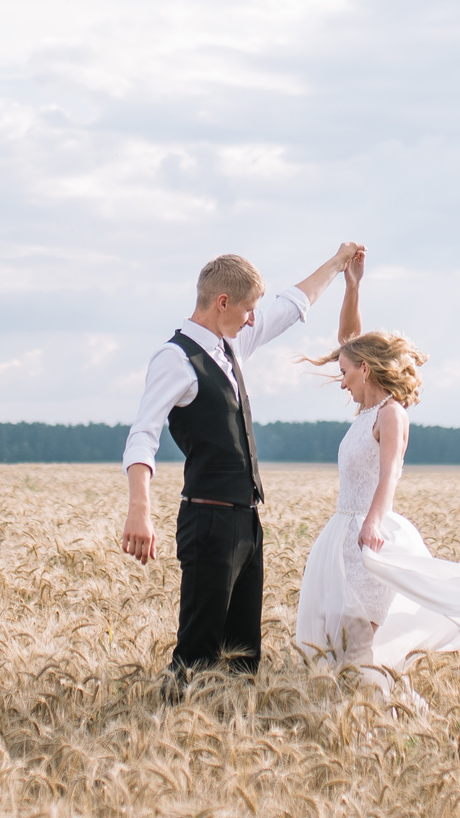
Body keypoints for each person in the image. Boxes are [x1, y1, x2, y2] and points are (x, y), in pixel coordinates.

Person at [121, 241, 362, 685]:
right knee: (197, 656)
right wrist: (140, 509)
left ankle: (231, 738)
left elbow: (291, 306)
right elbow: (142, 436)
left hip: (247, 523)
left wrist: (338, 264)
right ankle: (176, 737)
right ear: (223, 302)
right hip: (208, 521)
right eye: (249, 309)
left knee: (242, 659)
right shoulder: (175, 359)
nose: (254, 318)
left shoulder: (230, 344)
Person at [293, 251, 460, 683]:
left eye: (344, 373)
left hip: (368, 540)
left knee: (355, 646)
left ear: (365, 369)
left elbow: (391, 471)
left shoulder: (390, 415)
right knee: (332, 647)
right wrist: (352, 285)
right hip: (340, 539)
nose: (340, 381)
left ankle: (379, 723)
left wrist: (374, 522)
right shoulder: (364, 411)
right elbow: (348, 337)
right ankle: (350, 725)